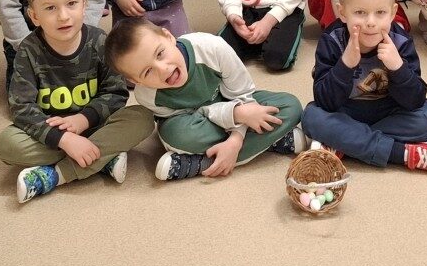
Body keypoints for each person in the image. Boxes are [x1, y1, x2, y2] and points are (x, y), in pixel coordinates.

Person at [0, 0, 154, 203]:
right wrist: (64, 139)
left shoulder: (100, 41)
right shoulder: (28, 50)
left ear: (84, 4)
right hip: (54, 134)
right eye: (50, 8)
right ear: (34, 16)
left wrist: (83, 119)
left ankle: (57, 174)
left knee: (143, 118)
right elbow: (21, 108)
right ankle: (103, 157)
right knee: (7, 144)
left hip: (97, 124)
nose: (63, 16)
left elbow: (116, 93)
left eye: (71, 3)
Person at [103, 16, 303, 181]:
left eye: (160, 53)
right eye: (147, 72)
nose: (163, 69)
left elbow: (243, 94)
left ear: (169, 36)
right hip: (201, 120)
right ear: (135, 81)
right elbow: (188, 118)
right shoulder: (146, 95)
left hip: (235, 101)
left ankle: (199, 163)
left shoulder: (213, 47)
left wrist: (236, 139)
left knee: (290, 106)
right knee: (176, 136)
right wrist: (235, 115)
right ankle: (271, 142)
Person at [302, 0, 427, 173]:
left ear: (393, 13)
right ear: (343, 13)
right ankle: (401, 154)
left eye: (380, 12)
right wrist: (345, 65)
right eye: (360, 12)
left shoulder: (400, 41)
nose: (371, 22)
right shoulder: (332, 40)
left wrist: (397, 67)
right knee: (311, 117)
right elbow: (324, 101)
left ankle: (344, 143)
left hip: (388, 111)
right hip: (346, 111)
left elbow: (416, 100)